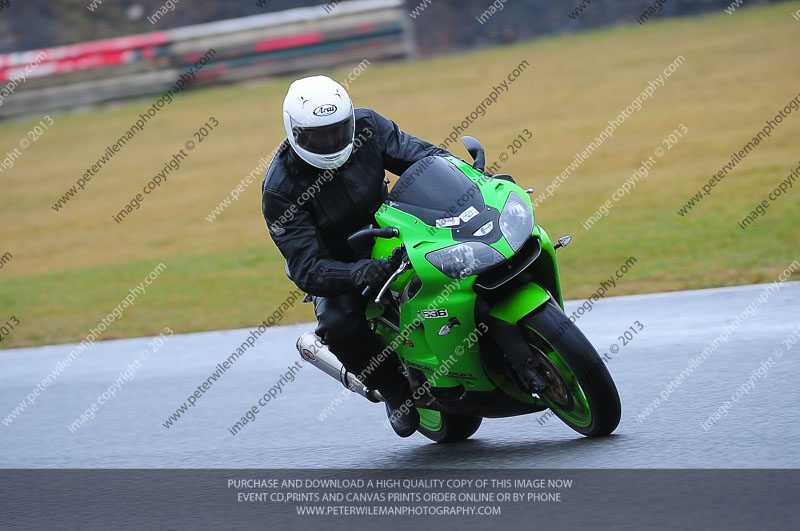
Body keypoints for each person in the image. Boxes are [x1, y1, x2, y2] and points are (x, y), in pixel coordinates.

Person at [261, 75, 451, 437]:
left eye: (337, 130)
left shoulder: (368, 126)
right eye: (317, 136)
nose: (330, 141)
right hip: (339, 262)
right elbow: (306, 267)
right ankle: (396, 390)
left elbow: (423, 158)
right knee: (339, 326)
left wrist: (473, 179)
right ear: (295, 132)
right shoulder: (280, 189)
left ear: (350, 121)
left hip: (397, 223)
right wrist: (357, 273)